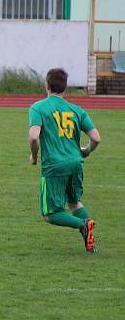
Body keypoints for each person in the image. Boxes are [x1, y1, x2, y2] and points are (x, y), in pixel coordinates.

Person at [29, 68, 100, 253]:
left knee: (50, 214)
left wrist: (34, 156)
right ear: (64, 88)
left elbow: (34, 137)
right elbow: (96, 138)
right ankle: (90, 238)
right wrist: (86, 151)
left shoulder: (38, 108)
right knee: (74, 202)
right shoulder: (76, 110)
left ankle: (83, 225)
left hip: (54, 165)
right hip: (75, 163)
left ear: (47, 85)